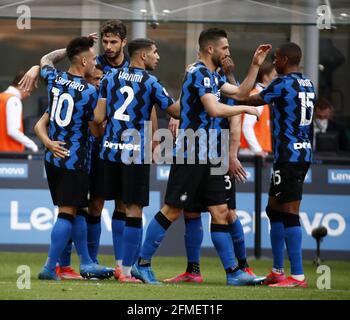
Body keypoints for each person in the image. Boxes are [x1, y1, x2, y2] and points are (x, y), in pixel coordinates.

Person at [131, 28, 271, 285]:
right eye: (225, 48)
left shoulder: (211, 76)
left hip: (211, 155)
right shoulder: (197, 73)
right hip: (192, 152)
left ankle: (233, 274)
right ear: (211, 49)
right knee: (172, 210)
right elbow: (214, 109)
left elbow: (241, 92)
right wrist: (246, 109)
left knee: (220, 211)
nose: (227, 53)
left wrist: (254, 66)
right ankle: (141, 264)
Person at [164, 56, 259, 284]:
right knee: (192, 213)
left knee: (228, 213)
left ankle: (243, 267)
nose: (226, 55)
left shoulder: (224, 85)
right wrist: (178, 114)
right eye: (223, 49)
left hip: (219, 156)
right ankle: (193, 270)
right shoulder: (203, 77)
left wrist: (231, 156)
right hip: (198, 154)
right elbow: (187, 103)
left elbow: (235, 120)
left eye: (228, 50)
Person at [93, 38, 180, 283]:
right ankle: (129, 272)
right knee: (134, 210)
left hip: (109, 151)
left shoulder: (109, 78)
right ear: (142, 56)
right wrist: (194, 91)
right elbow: (175, 111)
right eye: (155, 52)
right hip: (134, 153)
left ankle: (119, 265)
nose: (158, 56)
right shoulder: (151, 82)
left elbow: (98, 116)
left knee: (118, 206)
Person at [236, 42, 315, 288]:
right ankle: (278, 271)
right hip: (298, 154)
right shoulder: (308, 83)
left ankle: (298, 276)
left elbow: (247, 98)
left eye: (276, 59)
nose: (274, 63)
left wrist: (223, 87)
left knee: (289, 213)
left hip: (290, 156)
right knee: (274, 210)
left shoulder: (282, 84)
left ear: (282, 59)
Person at [34, 36, 113, 280]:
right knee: (67, 213)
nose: (93, 63)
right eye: (90, 59)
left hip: (54, 157)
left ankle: (87, 262)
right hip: (74, 159)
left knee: (79, 209)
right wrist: (106, 90)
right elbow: (98, 121)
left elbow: (46, 59)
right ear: (82, 61)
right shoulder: (90, 92)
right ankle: (49, 267)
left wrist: (69, 48)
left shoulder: (54, 78)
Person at [240, 61, 276, 156]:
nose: (276, 79)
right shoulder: (257, 97)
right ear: (265, 77)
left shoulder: (260, 96)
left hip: (256, 152)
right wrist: (257, 150)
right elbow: (247, 126)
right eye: (274, 76)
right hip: (252, 154)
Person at [0, 71, 38, 153]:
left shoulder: (2, 98)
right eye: (29, 91)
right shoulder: (13, 100)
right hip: (11, 156)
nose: (29, 94)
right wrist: (33, 146)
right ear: (23, 85)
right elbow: (13, 131)